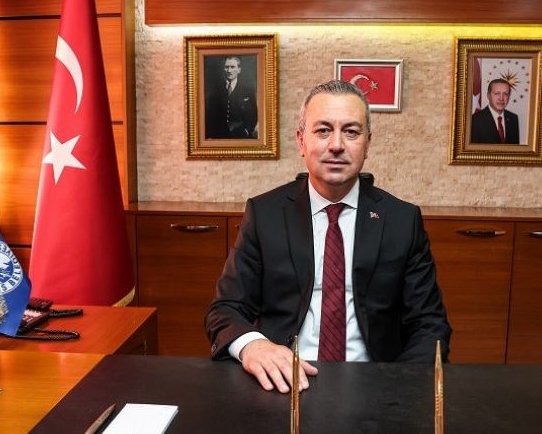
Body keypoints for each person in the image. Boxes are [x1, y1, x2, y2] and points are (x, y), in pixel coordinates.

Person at [205, 80, 451, 393]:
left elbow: (430, 324)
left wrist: (396, 388)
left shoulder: (401, 221)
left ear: (368, 143)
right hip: (284, 383)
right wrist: (254, 346)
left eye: (351, 131)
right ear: (301, 140)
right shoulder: (265, 214)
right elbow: (225, 309)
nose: (336, 144)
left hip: (375, 385)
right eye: (323, 131)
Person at [205, 56, 258, 139]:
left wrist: (247, 131)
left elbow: (253, 114)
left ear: (239, 70)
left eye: (232, 67)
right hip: (219, 136)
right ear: (224, 69)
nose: (229, 70)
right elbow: (209, 115)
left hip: (241, 136)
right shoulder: (215, 91)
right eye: (227, 67)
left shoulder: (247, 91)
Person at [471, 79, 520, 144]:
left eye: (505, 94)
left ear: (509, 96)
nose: (501, 98)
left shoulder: (513, 118)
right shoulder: (475, 120)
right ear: (488, 95)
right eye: (497, 93)